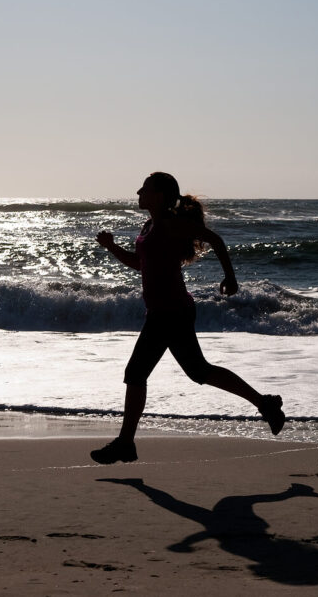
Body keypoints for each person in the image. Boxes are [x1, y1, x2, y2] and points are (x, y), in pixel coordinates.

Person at [91, 172, 285, 464]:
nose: (138, 192)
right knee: (198, 372)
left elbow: (216, 240)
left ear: (158, 195)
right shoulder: (149, 226)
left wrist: (230, 278)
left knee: (137, 373)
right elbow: (139, 264)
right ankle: (265, 403)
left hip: (172, 312)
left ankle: (125, 444)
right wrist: (113, 248)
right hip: (164, 312)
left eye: (144, 188)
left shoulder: (171, 224)